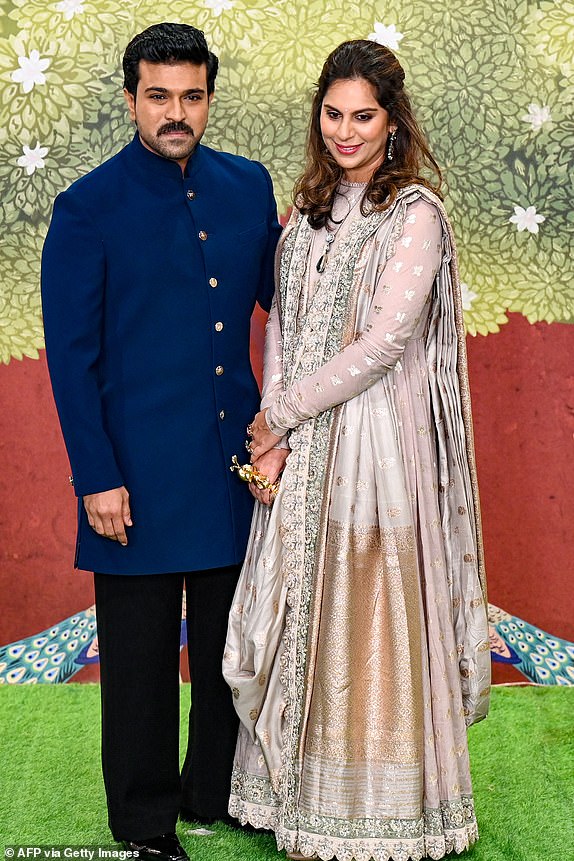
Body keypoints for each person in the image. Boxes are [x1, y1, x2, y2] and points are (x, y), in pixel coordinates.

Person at [223, 39, 491, 861]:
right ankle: (297, 799)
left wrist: (280, 420)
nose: (345, 132)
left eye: (363, 116)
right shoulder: (304, 215)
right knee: (304, 604)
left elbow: (383, 343)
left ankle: (379, 812)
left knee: (367, 614)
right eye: (333, 114)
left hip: (377, 446)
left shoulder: (414, 214)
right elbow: (289, 334)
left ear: (392, 120)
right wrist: (273, 438)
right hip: (305, 442)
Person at [41, 22, 281, 861]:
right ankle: (145, 823)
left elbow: (283, 311)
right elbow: (72, 360)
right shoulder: (88, 207)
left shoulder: (248, 187)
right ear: (130, 97)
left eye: (191, 96)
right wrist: (96, 477)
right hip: (132, 478)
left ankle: (213, 791)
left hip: (232, 471)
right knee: (141, 666)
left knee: (228, 650)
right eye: (158, 95)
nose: (175, 113)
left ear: (210, 96)